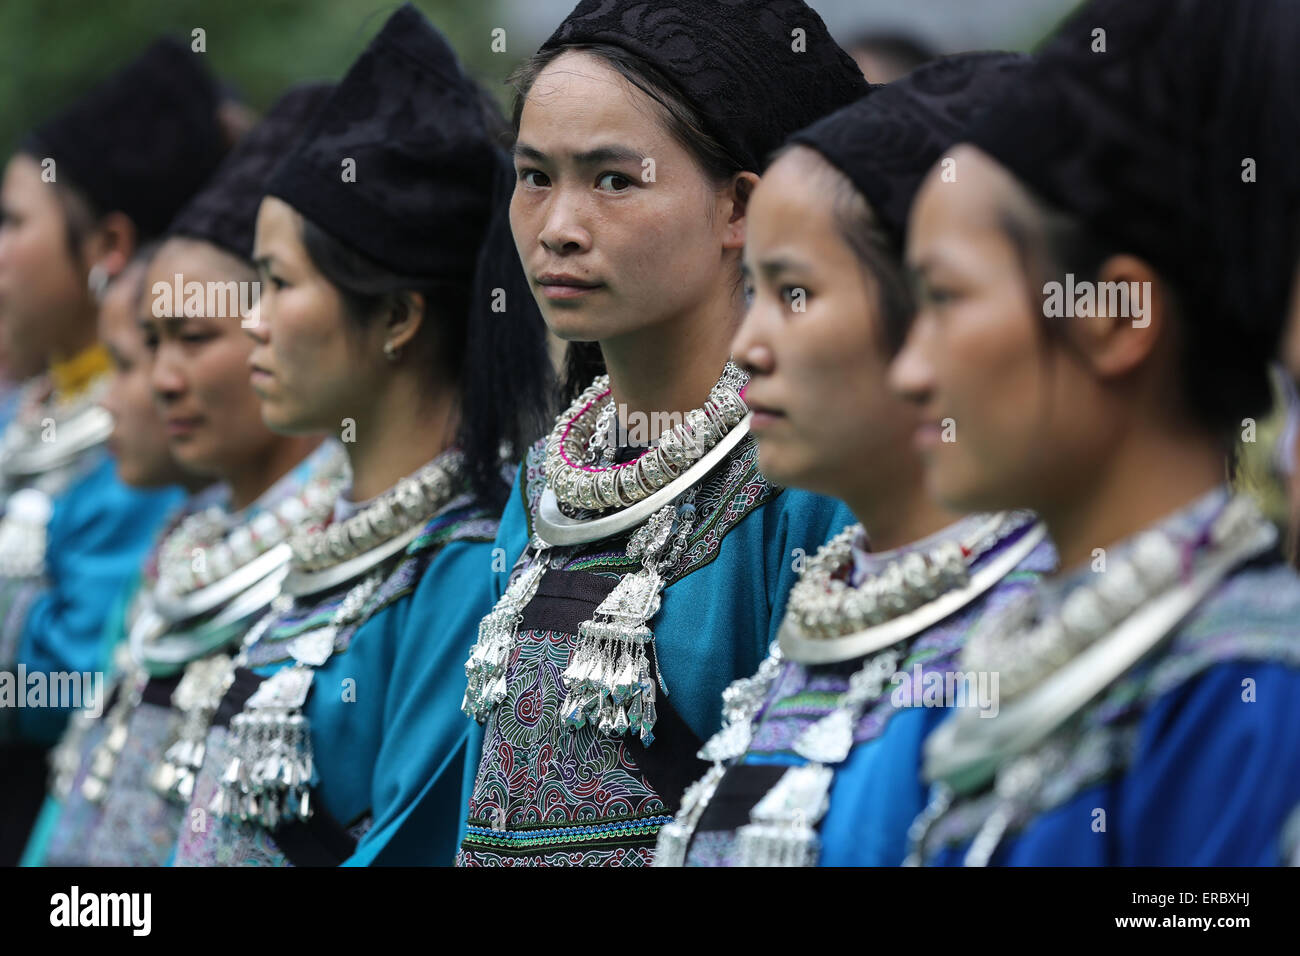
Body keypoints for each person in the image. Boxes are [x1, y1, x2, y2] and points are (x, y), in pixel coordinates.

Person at [891, 0, 1300, 865]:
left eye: (946, 299)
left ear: (1116, 316)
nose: (909, 372)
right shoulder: (1014, 651)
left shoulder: (1245, 681)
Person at [456, 0, 865, 866]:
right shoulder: (543, 488)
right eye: (535, 177)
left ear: (739, 211)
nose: (558, 227)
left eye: (613, 180)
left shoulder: (801, 477)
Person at [173, 4, 551, 866]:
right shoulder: (332, 542)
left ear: (394, 316)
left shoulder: (462, 570)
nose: (250, 325)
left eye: (275, 284)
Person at [654, 53, 1052, 868]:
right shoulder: (832, 598)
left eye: (794, 294)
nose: (747, 345)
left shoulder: (1026, 636)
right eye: (753, 291)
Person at [0, 36, 229, 864]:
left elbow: (73, 682)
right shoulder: (26, 416)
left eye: (13, 221)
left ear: (107, 250)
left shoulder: (145, 452)